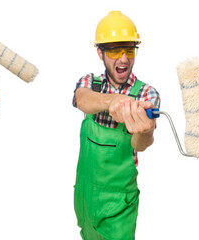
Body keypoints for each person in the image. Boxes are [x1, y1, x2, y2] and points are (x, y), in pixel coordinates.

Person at [72, 10, 160, 240]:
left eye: (129, 49)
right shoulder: (91, 82)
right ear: (100, 52)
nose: (123, 58)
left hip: (118, 204)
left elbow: (141, 145)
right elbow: (82, 99)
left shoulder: (146, 94)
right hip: (85, 196)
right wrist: (113, 101)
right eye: (114, 50)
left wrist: (145, 130)